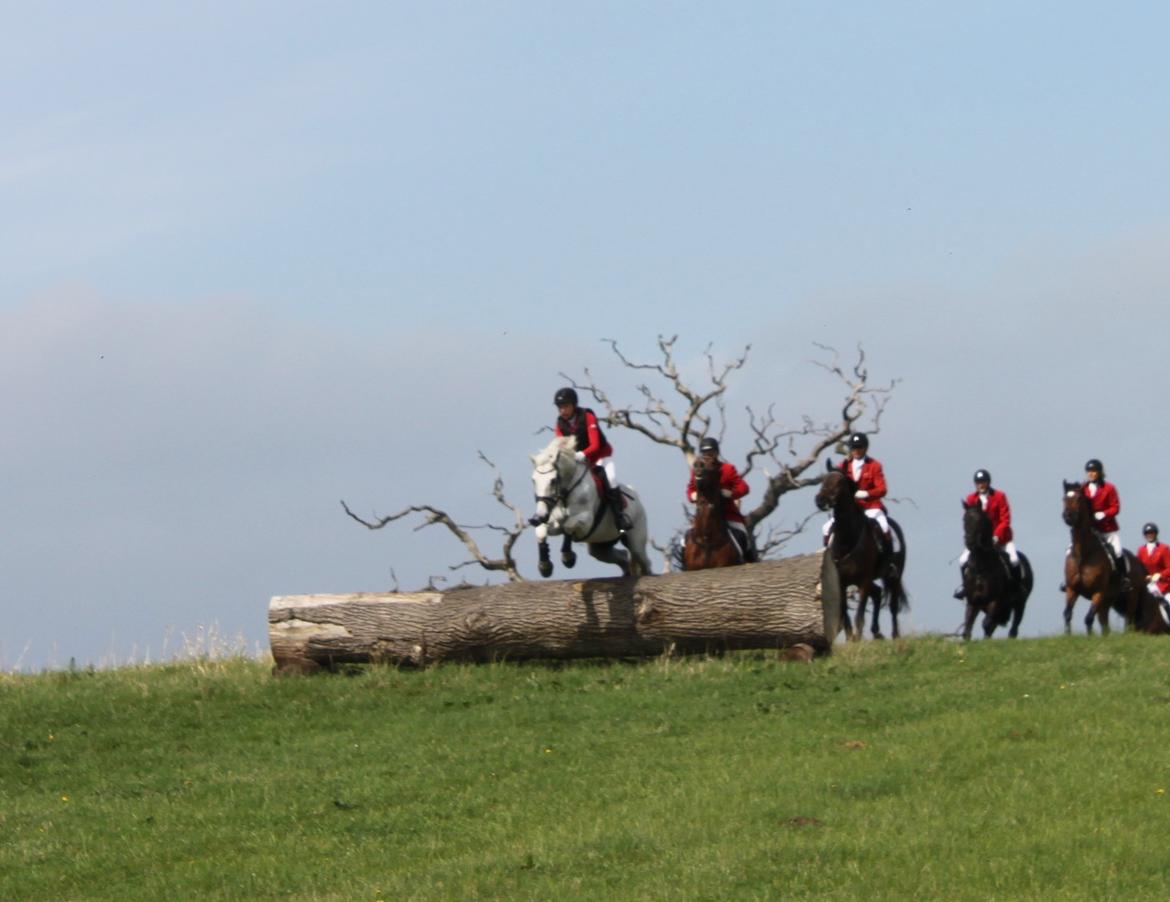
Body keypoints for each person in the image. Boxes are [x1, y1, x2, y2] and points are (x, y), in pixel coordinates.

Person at [553, 387, 631, 530]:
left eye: (565, 406)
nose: (562, 410)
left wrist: (582, 454)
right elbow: (561, 447)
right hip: (579, 462)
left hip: (600, 455)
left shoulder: (587, 416)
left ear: (574, 405)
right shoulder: (559, 424)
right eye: (560, 407)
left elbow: (595, 445)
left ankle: (619, 517)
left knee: (611, 478)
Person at [686, 437, 757, 562]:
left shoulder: (727, 469)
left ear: (717, 453)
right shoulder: (697, 471)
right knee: (685, 539)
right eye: (704, 453)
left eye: (711, 452)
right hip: (703, 516)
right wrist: (693, 495)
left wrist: (730, 493)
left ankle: (751, 563)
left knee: (743, 536)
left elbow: (744, 487)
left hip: (727, 514)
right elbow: (690, 488)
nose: (708, 455)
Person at [822, 432, 894, 553]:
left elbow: (882, 489)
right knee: (826, 528)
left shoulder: (874, 466)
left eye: (859, 447)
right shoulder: (843, 466)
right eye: (853, 447)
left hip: (871, 507)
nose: (856, 450)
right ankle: (826, 556)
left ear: (865, 448)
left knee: (884, 526)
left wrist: (866, 494)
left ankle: (889, 562)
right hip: (851, 509)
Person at [953, 469, 1018, 600]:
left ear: (988, 483)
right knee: (962, 561)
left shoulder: (999, 496)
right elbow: (969, 521)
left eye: (983, 482)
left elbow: (1005, 519)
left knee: (1014, 560)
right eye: (978, 483)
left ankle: (1015, 588)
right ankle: (966, 587)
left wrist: (996, 536)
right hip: (979, 542)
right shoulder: (971, 499)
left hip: (1001, 539)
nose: (980, 485)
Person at [1136, 522, 1170, 624]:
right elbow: (1139, 568)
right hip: (1149, 585)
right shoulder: (1141, 550)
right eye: (1147, 533)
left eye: (1152, 533)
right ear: (1145, 535)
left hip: (1164, 586)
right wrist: (1144, 577)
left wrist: (1160, 575)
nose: (1150, 535)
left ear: (1156, 534)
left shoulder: (1164, 549)